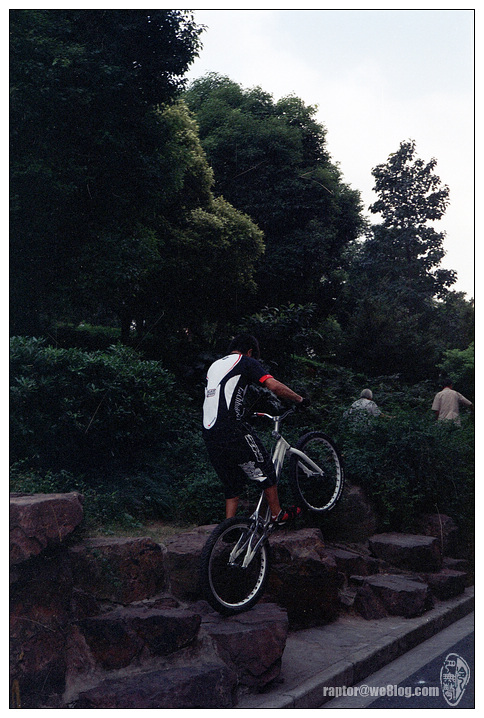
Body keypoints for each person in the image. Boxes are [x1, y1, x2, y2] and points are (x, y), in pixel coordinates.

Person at [202, 333, 308, 524]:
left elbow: (223, 396)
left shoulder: (215, 365)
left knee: (232, 484)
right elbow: (273, 386)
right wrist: (299, 399)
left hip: (209, 432)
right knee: (266, 468)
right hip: (232, 428)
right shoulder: (245, 361)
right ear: (250, 352)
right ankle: (277, 514)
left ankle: (228, 528)